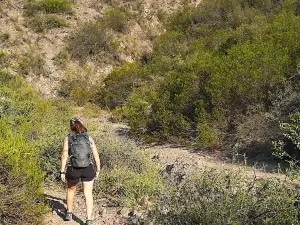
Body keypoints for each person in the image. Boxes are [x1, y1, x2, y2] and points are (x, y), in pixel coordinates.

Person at [60, 117, 100, 225]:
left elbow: (64, 155)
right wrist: (98, 169)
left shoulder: (68, 138)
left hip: (73, 169)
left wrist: (62, 171)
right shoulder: (89, 138)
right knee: (88, 194)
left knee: (71, 190)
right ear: (81, 125)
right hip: (88, 168)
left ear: (71, 127)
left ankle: (69, 213)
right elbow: (95, 155)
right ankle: (89, 219)